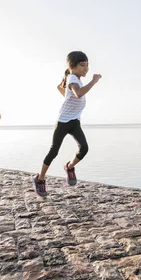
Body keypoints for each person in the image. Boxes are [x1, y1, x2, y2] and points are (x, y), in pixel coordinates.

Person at [33, 51, 102, 197]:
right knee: (54, 151)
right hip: (63, 121)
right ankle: (40, 180)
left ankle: (69, 167)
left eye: (87, 65)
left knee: (84, 148)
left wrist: (66, 96)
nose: (86, 68)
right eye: (82, 65)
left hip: (75, 121)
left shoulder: (73, 77)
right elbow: (78, 94)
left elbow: (60, 88)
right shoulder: (72, 78)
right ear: (72, 66)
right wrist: (93, 82)